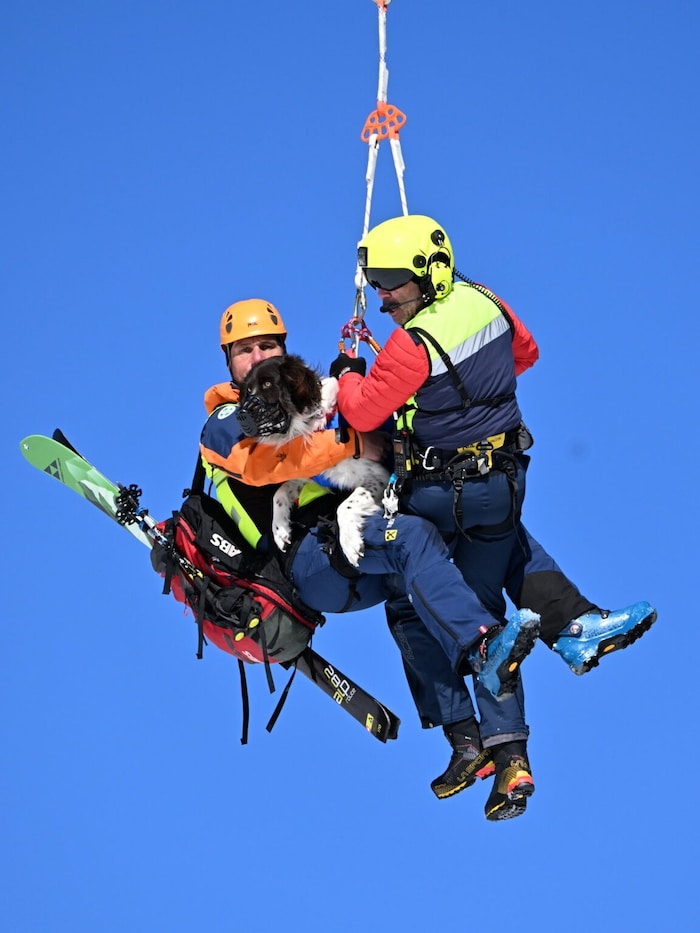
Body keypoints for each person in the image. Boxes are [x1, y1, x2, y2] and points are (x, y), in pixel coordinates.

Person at [330, 213, 657, 817]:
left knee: (422, 593)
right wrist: (461, 396)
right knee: (502, 561)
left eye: (390, 283)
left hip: (441, 494)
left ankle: (469, 736)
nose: (381, 297)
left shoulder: (412, 342)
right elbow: (524, 355)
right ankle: (570, 637)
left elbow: (366, 411)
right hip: (504, 484)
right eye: (376, 283)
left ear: (426, 275)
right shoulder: (487, 301)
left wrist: (351, 374)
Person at [198, 298, 542, 716]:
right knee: (413, 538)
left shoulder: (297, 403)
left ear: (283, 352)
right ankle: (482, 644)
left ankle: (471, 736)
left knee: (475, 531)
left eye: (266, 346)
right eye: (243, 350)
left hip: (359, 547)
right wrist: (354, 442)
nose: (256, 358)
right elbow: (263, 464)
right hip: (306, 558)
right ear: (228, 362)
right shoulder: (228, 419)